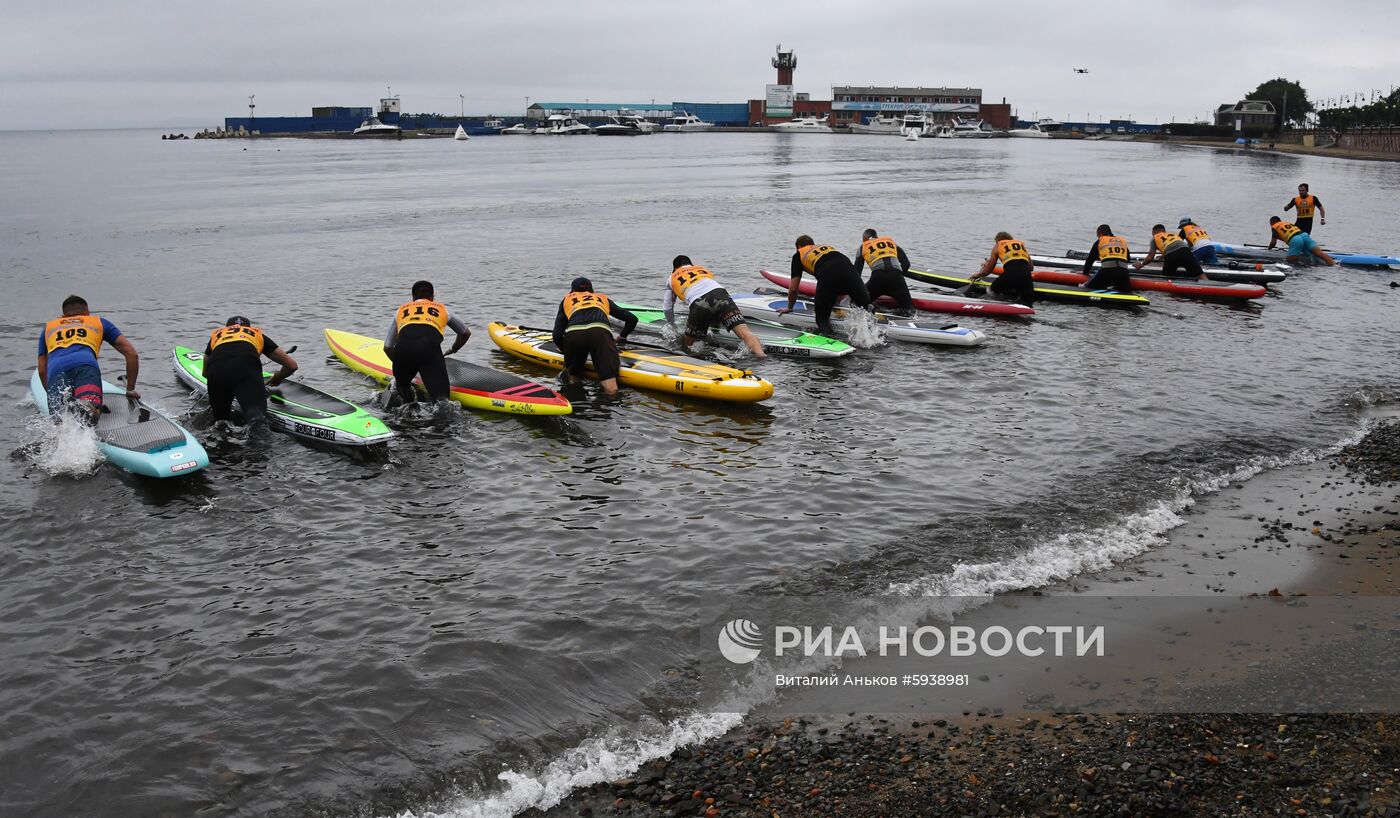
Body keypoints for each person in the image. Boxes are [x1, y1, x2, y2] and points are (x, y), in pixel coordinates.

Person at [36, 295, 140, 424]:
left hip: (56, 370)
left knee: (60, 422)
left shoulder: (48, 327)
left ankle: (69, 404)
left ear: (63, 315)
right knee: (90, 413)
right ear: (87, 313)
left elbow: (41, 370)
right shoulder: (98, 322)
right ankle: (90, 407)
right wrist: (130, 389)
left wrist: (52, 393)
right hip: (85, 366)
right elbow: (131, 354)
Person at [384, 280, 471, 404]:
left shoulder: (401, 310)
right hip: (429, 350)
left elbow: (387, 348)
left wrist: (405, 363)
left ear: (413, 298)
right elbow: (465, 333)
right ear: (432, 297)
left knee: (402, 394)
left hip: (402, 352)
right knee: (441, 402)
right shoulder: (442, 309)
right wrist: (453, 349)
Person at [662, 256, 766, 359]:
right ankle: (761, 356)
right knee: (745, 333)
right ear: (691, 265)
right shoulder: (701, 269)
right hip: (721, 294)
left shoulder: (671, 278)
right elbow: (711, 292)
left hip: (699, 302)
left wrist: (672, 326)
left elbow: (667, 307)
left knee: (687, 343)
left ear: (675, 269)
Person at [551, 277, 638, 396]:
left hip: (575, 335)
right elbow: (632, 319)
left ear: (572, 291)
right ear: (592, 290)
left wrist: (565, 349)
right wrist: (622, 337)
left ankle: (575, 396)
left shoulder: (567, 299)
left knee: (573, 376)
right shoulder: (602, 298)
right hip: (600, 333)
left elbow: (556, 335)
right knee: (611, 386)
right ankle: (611, 402)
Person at [202, 317, 298, 425]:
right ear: (249, 327)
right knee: (256, 419)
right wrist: (277, 377)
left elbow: (205, 373)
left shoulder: (217, 335)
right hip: (246, 365)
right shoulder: (256, 333)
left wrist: (229, 387)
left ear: (227, 328)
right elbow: (292, 366)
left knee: (221, 422)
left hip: (217, 368)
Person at [778, 235, 874, 336]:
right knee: (866, 307)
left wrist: (789, 307)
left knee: (822, 319)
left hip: (828, 273)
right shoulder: (826, 248)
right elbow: (839, 273)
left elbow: (793, 289)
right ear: (812, 244)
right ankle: (873, 334)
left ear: (798, 247)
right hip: (848, 268)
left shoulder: (799, 254)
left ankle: (830, 339)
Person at [851, 229, 915, 315]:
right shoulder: (890, 242)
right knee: (910, 310)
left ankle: (873, 313)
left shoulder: (863, 247)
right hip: (897, 277)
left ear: (865, 238)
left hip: (878, 278)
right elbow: (906, 264)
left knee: (857, 303)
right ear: (876, 236)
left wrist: (858, 292)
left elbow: (856, 275)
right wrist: (898, 279)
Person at [969, 231, 1036, 305]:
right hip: (1026, 276)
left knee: (991, 292)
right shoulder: (1021, 245)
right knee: (1027, 302)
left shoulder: (998, 245)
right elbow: (1031, 267)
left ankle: (993, 306)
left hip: (1010, 275)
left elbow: (988, 271)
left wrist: (977, 275)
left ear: (997, 240)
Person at [1135, 224, 1207, 280]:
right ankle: (1211, 286)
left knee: (1165, 278)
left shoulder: (1154, 238)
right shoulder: (1174, 235)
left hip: (1172, 255)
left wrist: (1141, 264)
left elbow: (1151, 256)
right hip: (1186, 251)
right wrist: (1162, 257)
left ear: (1154, 232)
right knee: (1201, 275)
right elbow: (1176, 245)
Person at [1079, 225, 1134, 292]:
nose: (1098, 237)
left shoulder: (1100, 241)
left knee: (1087, 288)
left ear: (1100, 234)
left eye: (1097, 235)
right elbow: (1128, 259)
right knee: (1125, 292)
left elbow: (1090, 260)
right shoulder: (1121, 241)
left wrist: (1085, 273)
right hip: (1123, 273)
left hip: (1107, 272)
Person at [1268, 216, 1336, 266]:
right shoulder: (1286, 223)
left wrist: (1269, 249)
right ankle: (1334, 265)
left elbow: (1273, 242)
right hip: (1304, 235)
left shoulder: (1274, 226)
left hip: (1295, 239)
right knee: (1321, 254)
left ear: (1272, 223)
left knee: (1290, 261)